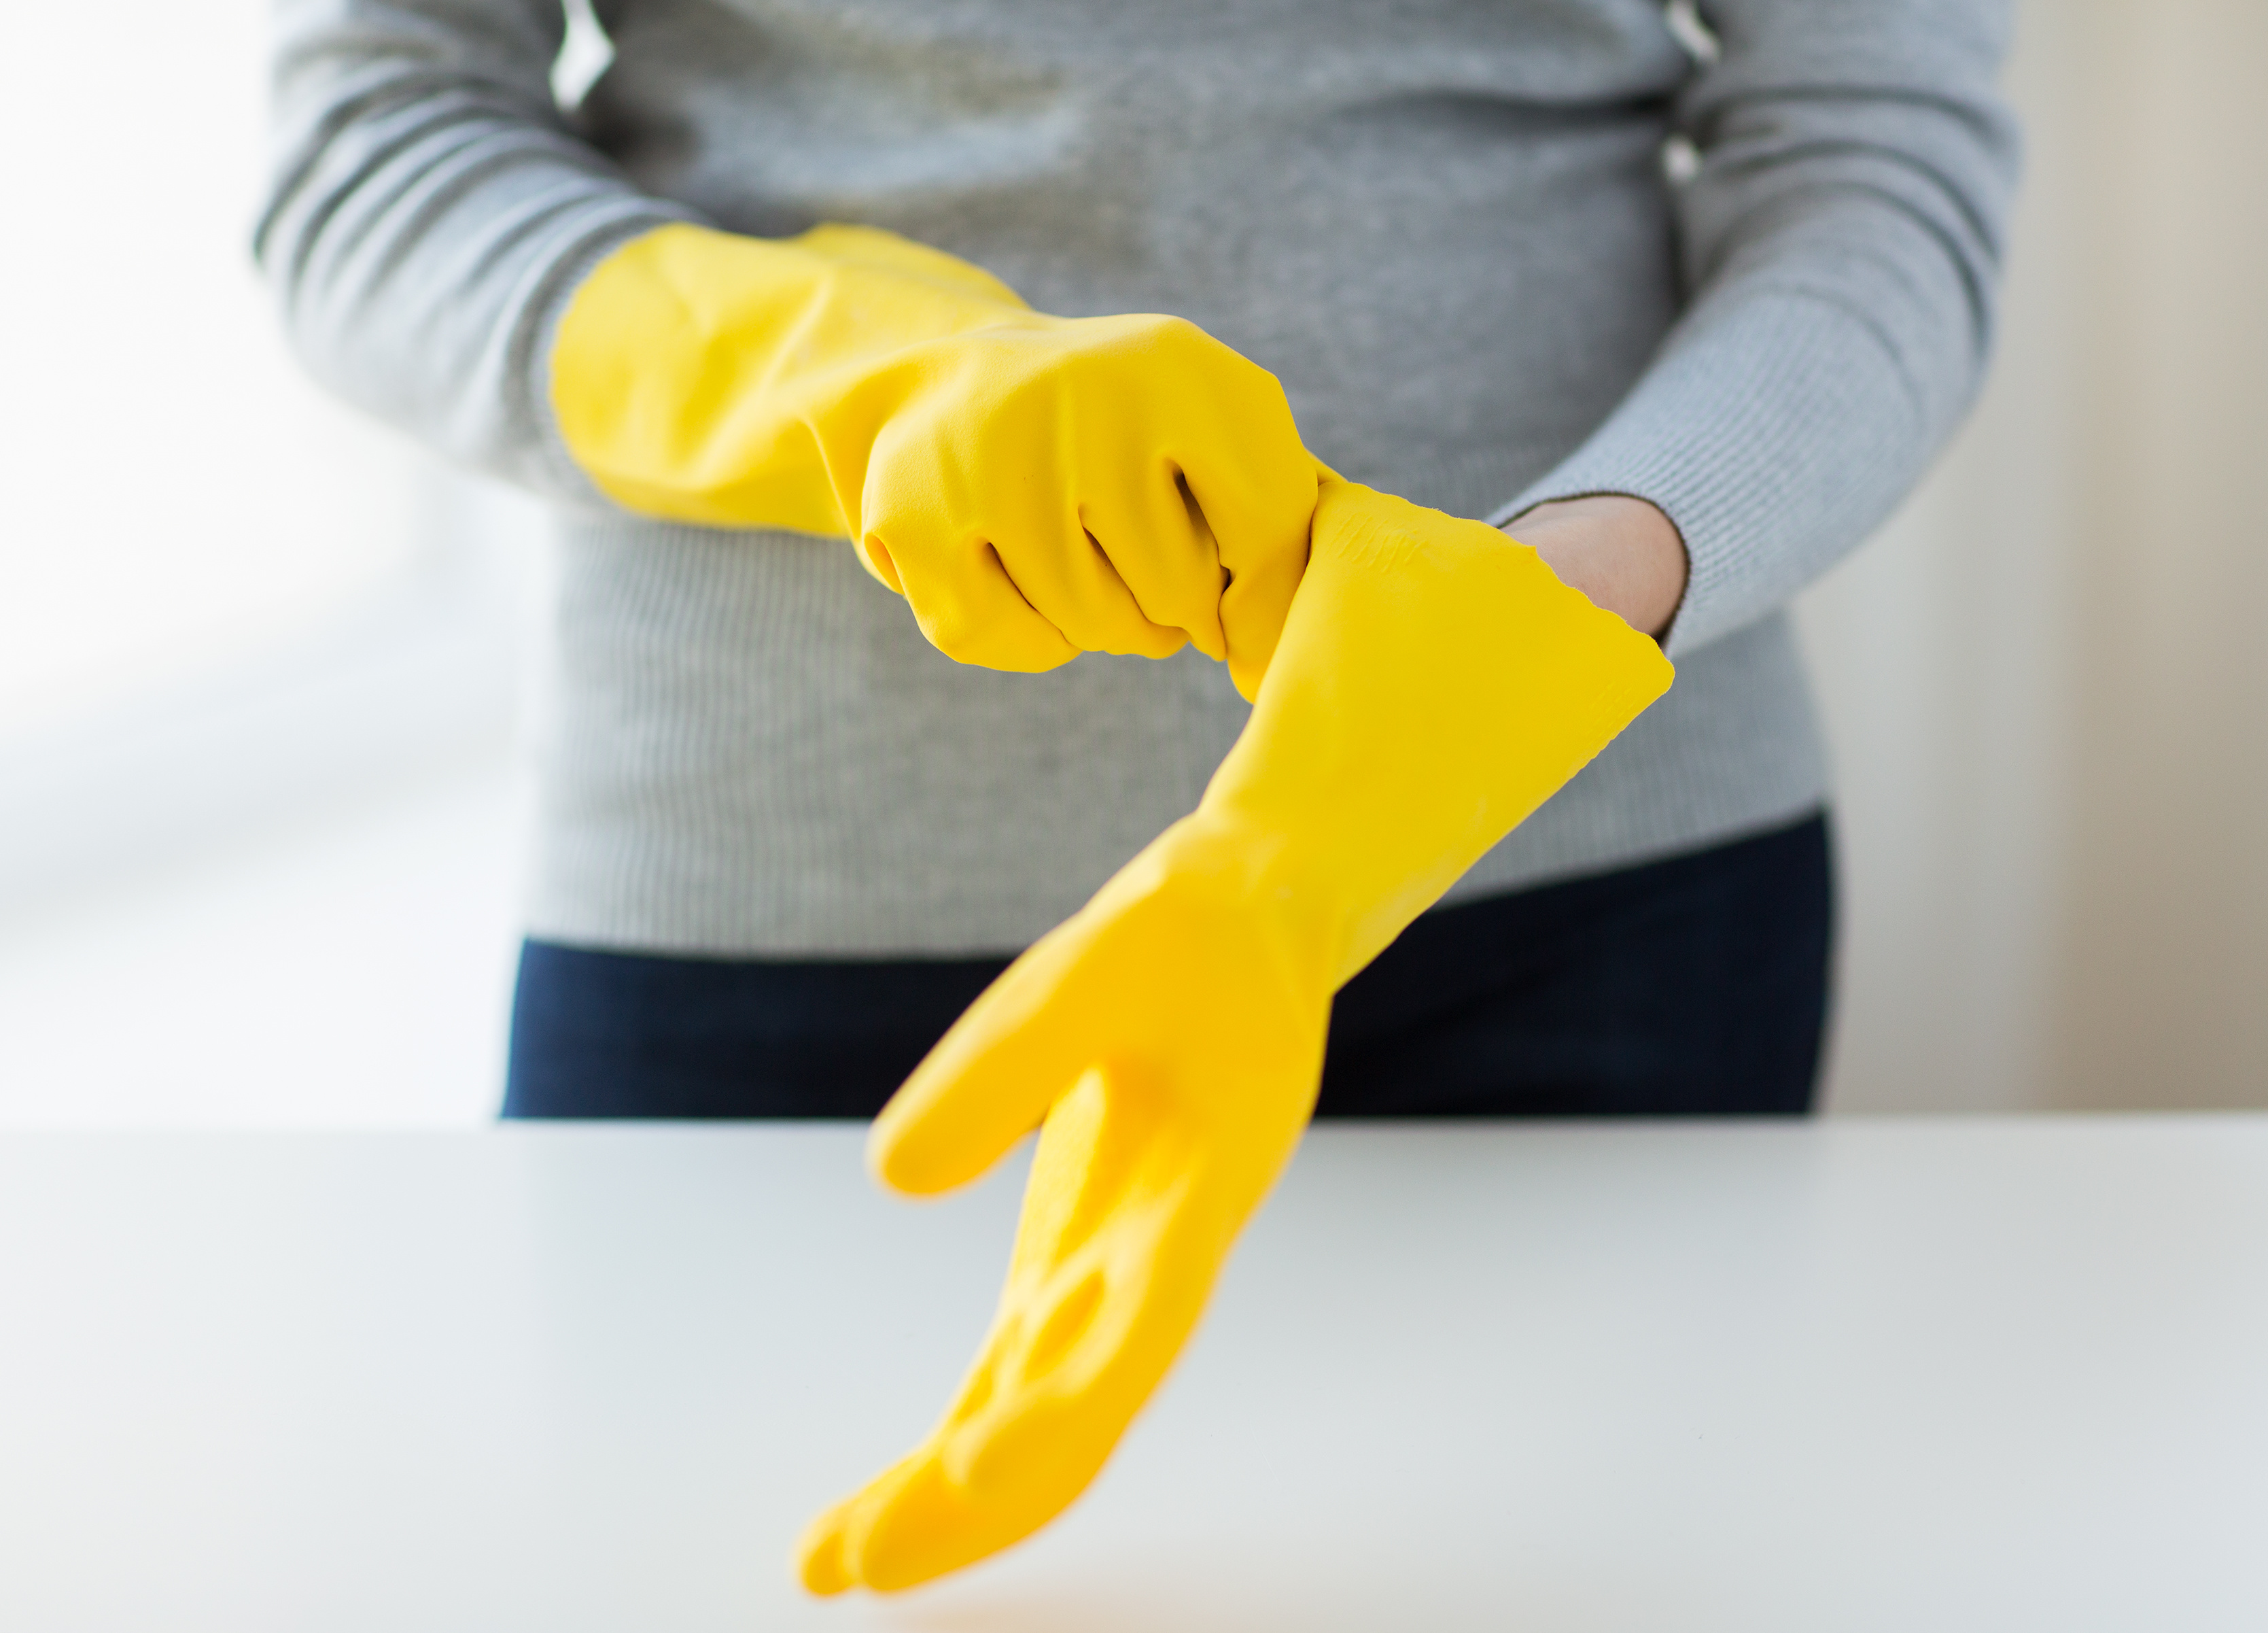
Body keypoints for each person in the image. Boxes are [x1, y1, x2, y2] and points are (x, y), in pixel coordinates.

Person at [261, 0, 2017, 1591]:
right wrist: (838, 379)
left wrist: (1542, 616)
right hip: (767, 914)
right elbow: (372, 159)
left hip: (1575, 888)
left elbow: (1870, 155)